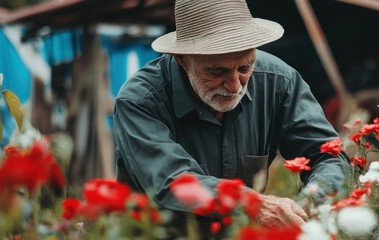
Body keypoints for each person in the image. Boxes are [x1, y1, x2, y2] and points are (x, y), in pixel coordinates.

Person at [113, 0, 348, 233]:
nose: (235, 86)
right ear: (182, 59)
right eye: (218, 71)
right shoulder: (140, 101)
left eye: (245, 68)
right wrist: (251, 204)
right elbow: (173, 182)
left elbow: (328, 156)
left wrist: (310, 202)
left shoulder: (279, 81)